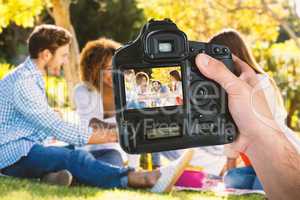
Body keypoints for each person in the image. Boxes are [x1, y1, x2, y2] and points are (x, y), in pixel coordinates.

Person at [0, 24, 195, 192]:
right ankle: (142, 179)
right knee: (75, 156)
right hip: (13, 155)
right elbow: (57, 129)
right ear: (46, 54)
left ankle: (53, 177)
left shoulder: (30, 78)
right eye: (64, 55)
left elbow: (34, 122)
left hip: (26, 150)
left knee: (86, 155)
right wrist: (114, 135)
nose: (66, 61)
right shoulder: (24, 82)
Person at [195, 52, 300, 199]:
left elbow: (258, 122)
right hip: (255, 159)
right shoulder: (227, 88)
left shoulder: (260, 82)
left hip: (286, 151)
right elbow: (235, 129)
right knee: (232, 178)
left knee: (260, 185)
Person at [73, 38, 125, 167]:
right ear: (94, 70)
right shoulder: (82, 90)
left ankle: (75, 176)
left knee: (113, 163)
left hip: (110, 152)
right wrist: (125, 130)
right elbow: (91, 123)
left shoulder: (126, 92)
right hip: (84, 151)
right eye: (108, 68)